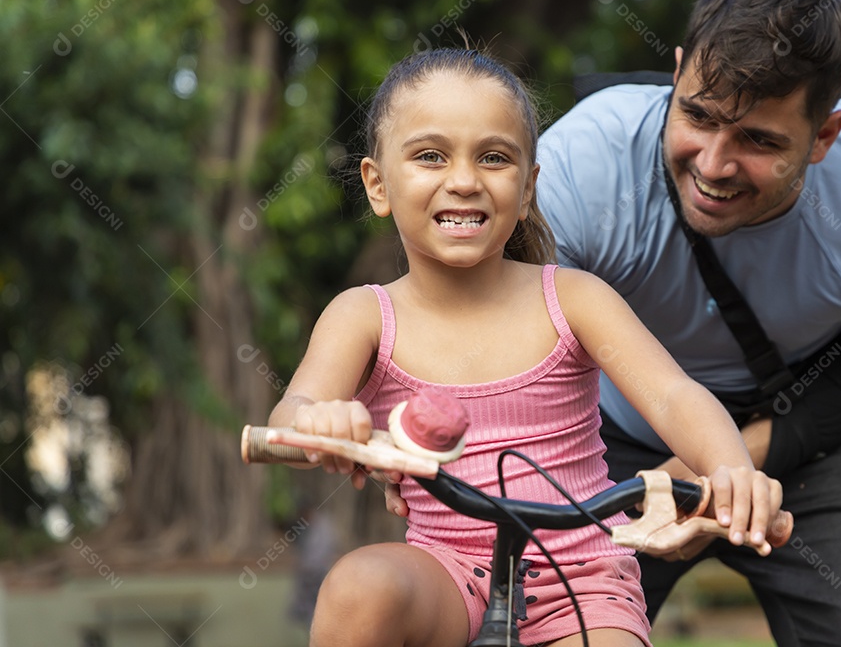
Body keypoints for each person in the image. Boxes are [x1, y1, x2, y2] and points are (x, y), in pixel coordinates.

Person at [267, 47, 787, 647]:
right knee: (359, 587)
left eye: (493, 158)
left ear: (527, 188)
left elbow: (673, 396)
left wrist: (731, 471)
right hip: (448, 569)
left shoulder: (572, 298)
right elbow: (292, 412)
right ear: (377, 185)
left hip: (585, 578)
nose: (464, 181)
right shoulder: (363, 316)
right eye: (431, 156)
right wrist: (318, 422)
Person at [535, 0, 841, 647]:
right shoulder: (581, 164)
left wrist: (717, 461)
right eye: (698, 116)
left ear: (823, 135)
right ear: (677, 71)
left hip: (807, 435)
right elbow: (509, 351)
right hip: (605, 438)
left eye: (757, 140)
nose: (713, 166)